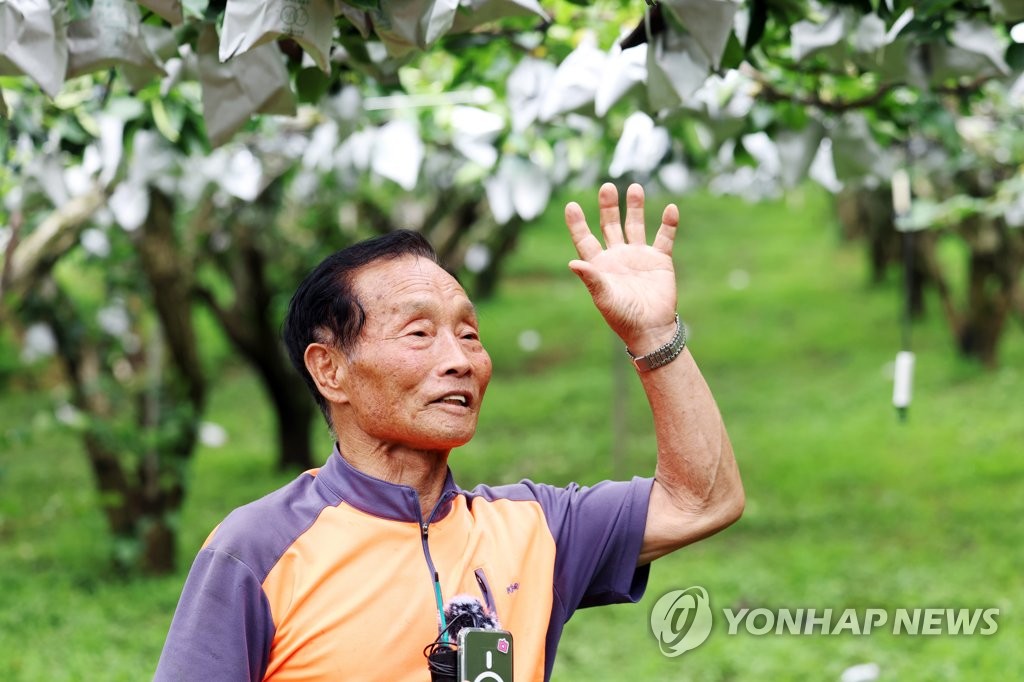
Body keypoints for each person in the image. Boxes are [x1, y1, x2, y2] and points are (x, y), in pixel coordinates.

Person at [154, 183, 744, 681]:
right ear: (329, 369)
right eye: (419, 333)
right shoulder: (258, 550)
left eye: (468, 334)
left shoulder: (536, 530)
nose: (460, 359)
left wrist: (653, 335)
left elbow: (702, 500)